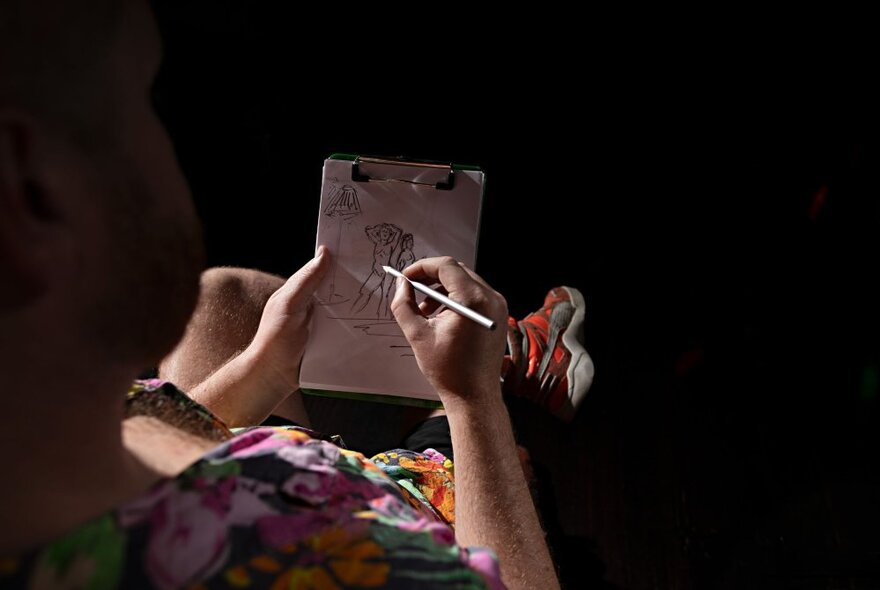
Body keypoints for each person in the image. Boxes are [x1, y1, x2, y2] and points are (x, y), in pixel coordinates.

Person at [0, 1, 593, 588]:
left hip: (295, 463)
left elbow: (150, 427)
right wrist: (473, 404)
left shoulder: (43, 425)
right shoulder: (325, 563)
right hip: (411, 502)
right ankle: (501, 366)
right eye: (142, 101)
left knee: (227, 294)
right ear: (32, 191)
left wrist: (264, 368)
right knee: (458, 412)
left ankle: (505, 355)